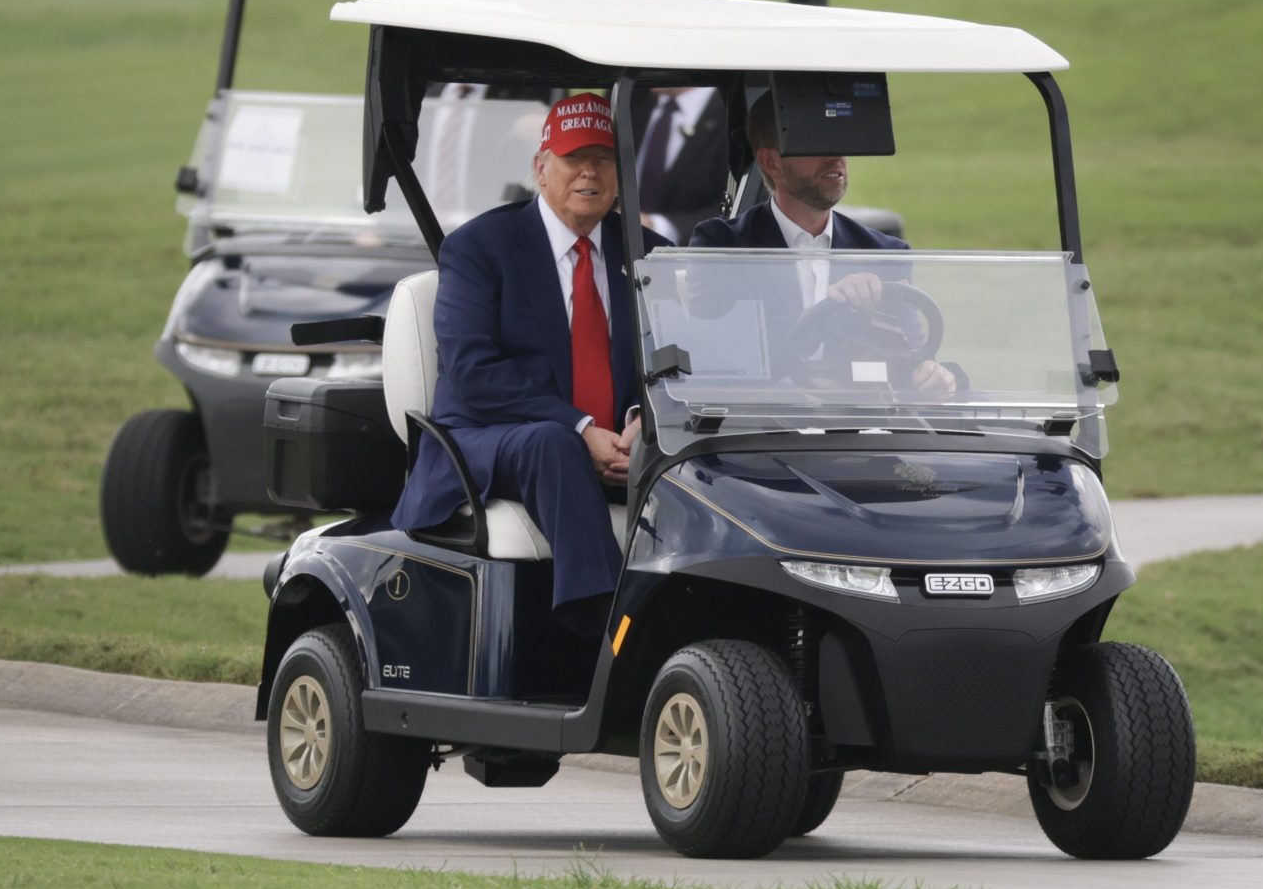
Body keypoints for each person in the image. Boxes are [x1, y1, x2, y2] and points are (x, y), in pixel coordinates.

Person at [391, 92, 670, 636]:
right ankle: (607, 630)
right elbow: (473, 373)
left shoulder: (644, 252)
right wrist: (582, 427)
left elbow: (667, 358)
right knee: (552, 443)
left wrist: (641, 419)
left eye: (603, 159)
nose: (589, 172)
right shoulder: (480, 248)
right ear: (541, 169)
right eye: (573, 159)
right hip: (483, 437)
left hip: (609, 445)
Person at [688, 93, 959, 394]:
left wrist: (939, 377)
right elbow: (719, 353)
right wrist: (815, 321)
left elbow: (913, 359)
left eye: (841, 140)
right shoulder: (722, 246)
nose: (836, 157)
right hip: (759, 429)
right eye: (815, 143)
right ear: (771, 162)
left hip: (857, 428)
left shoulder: (884, 253)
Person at [631, 86, 729, 245]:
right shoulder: (630, 95)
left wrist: (658, 226)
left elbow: (740, 208)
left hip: (692, 258)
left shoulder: (733, 110)